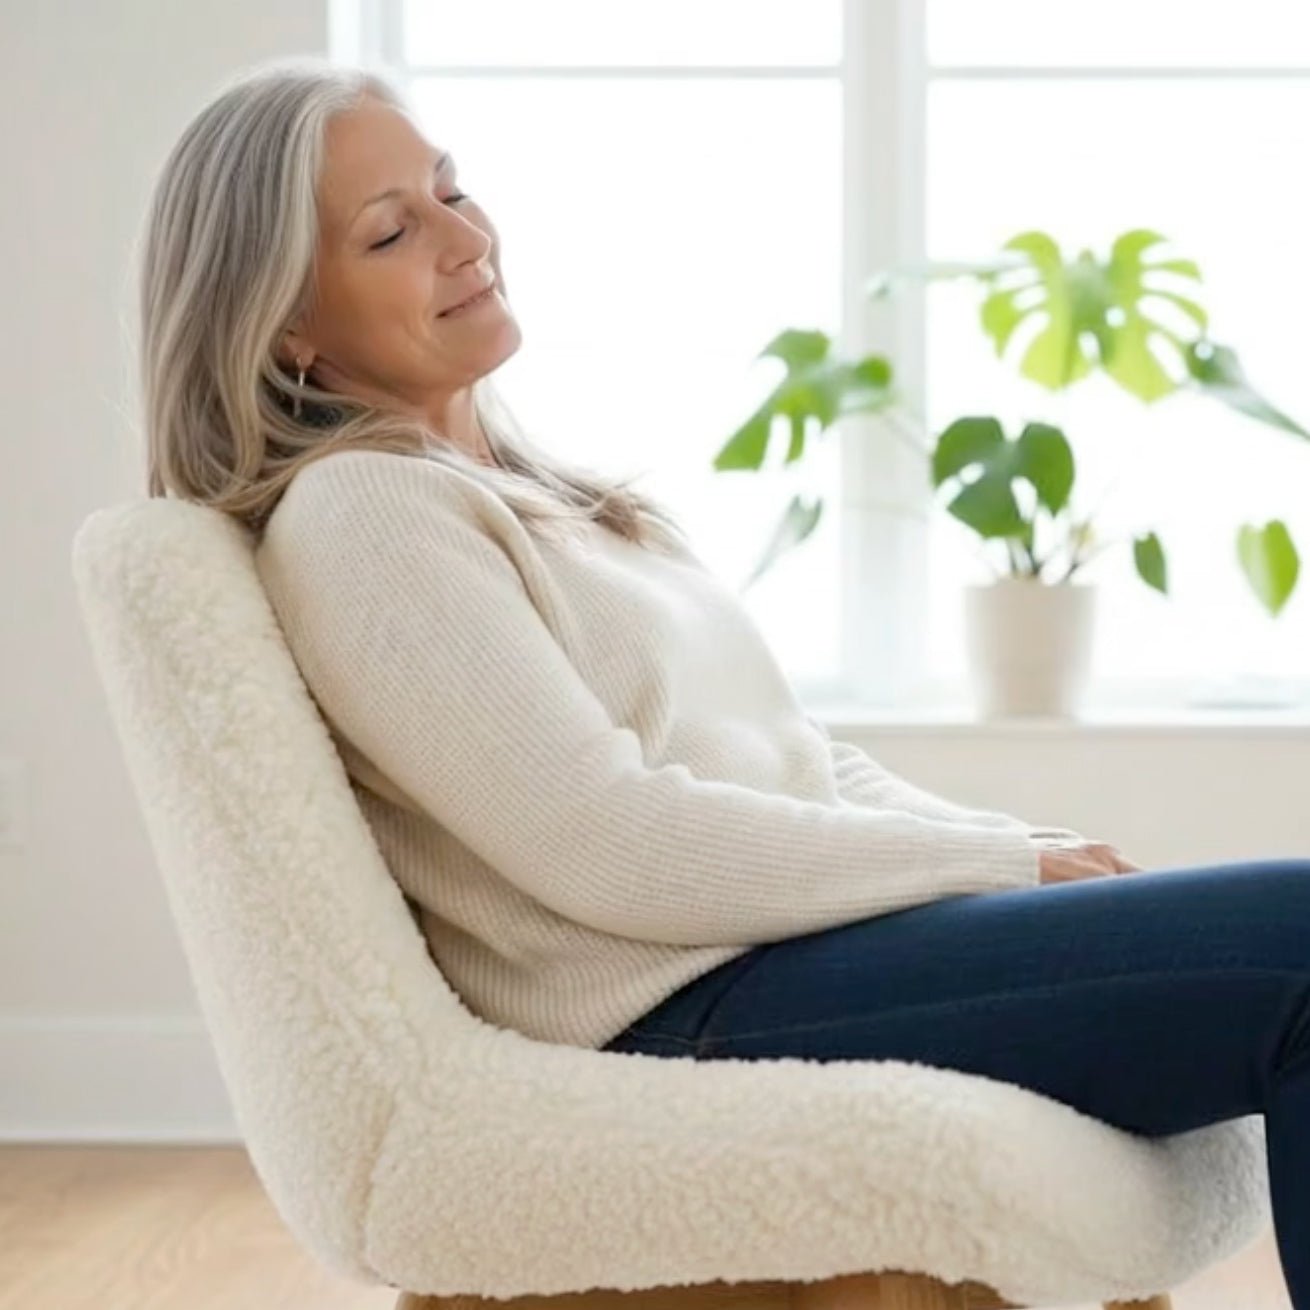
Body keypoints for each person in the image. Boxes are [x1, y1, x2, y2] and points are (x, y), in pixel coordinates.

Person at [137, 56, 1310, 1305]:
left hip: (805, 956)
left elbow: (809, 761)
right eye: (389, 231)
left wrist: (1019, 842)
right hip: (690, 999)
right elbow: (610, 841)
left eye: (449, 190)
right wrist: (999, 867)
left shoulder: (574, 505)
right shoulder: (365, 518)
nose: (460, 238)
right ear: (288, 325)